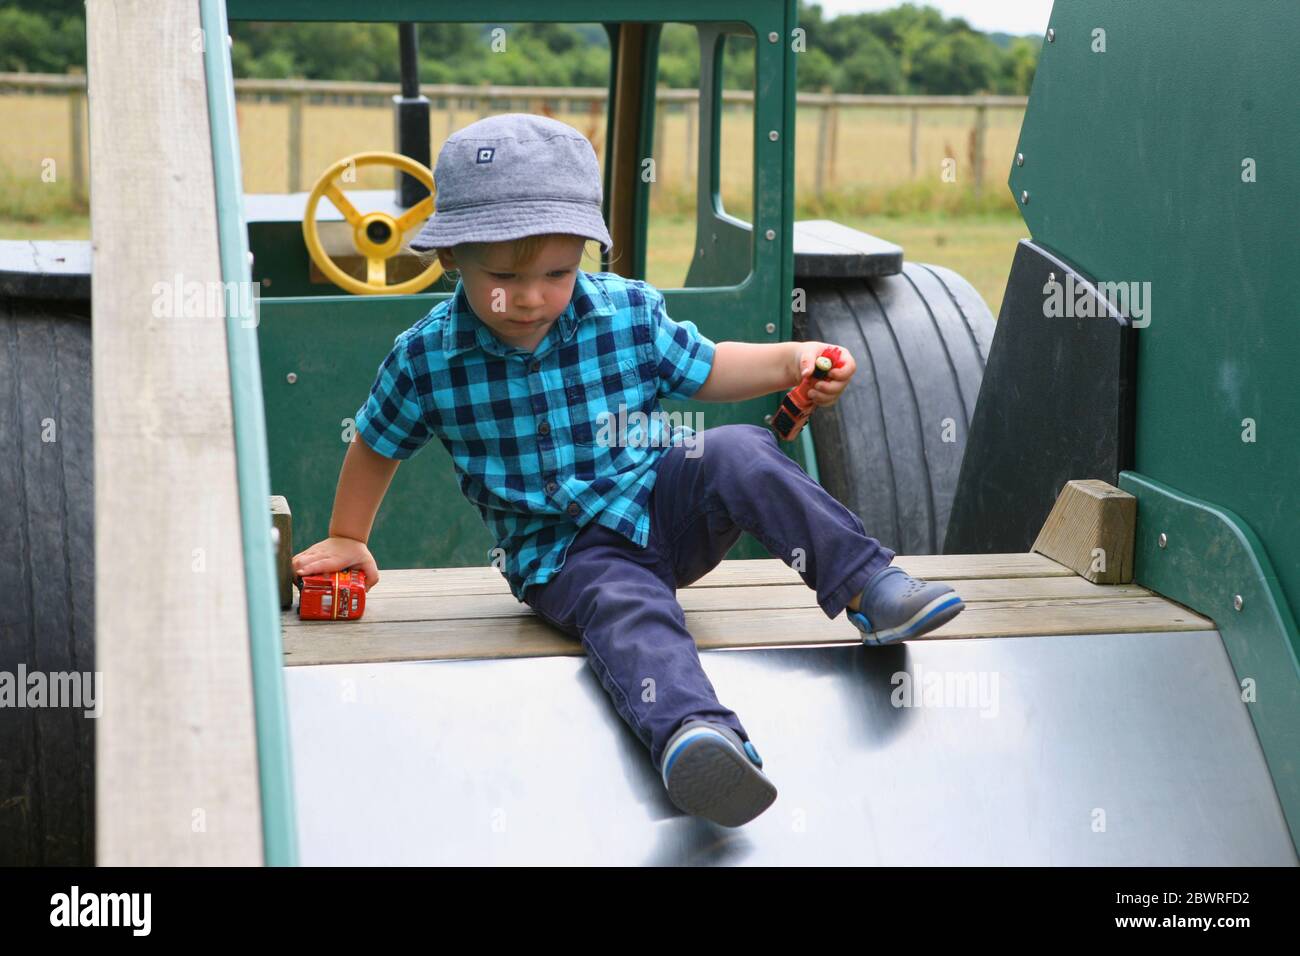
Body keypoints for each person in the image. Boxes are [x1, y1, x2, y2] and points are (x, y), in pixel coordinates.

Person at [291, 113, 965, 828]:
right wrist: (346, 536)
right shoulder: (427, 358)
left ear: (585, 252)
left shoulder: (627, 313)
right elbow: (376, 441)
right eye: (504, 277)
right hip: (566, 556)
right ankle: (695, 737)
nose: (529, 298)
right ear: (452, 257)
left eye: (556, 273)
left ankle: (869, 584)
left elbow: (709, 368)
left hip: (661, 509)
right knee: (626, 608)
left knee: (736, 448)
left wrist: (791, 360)